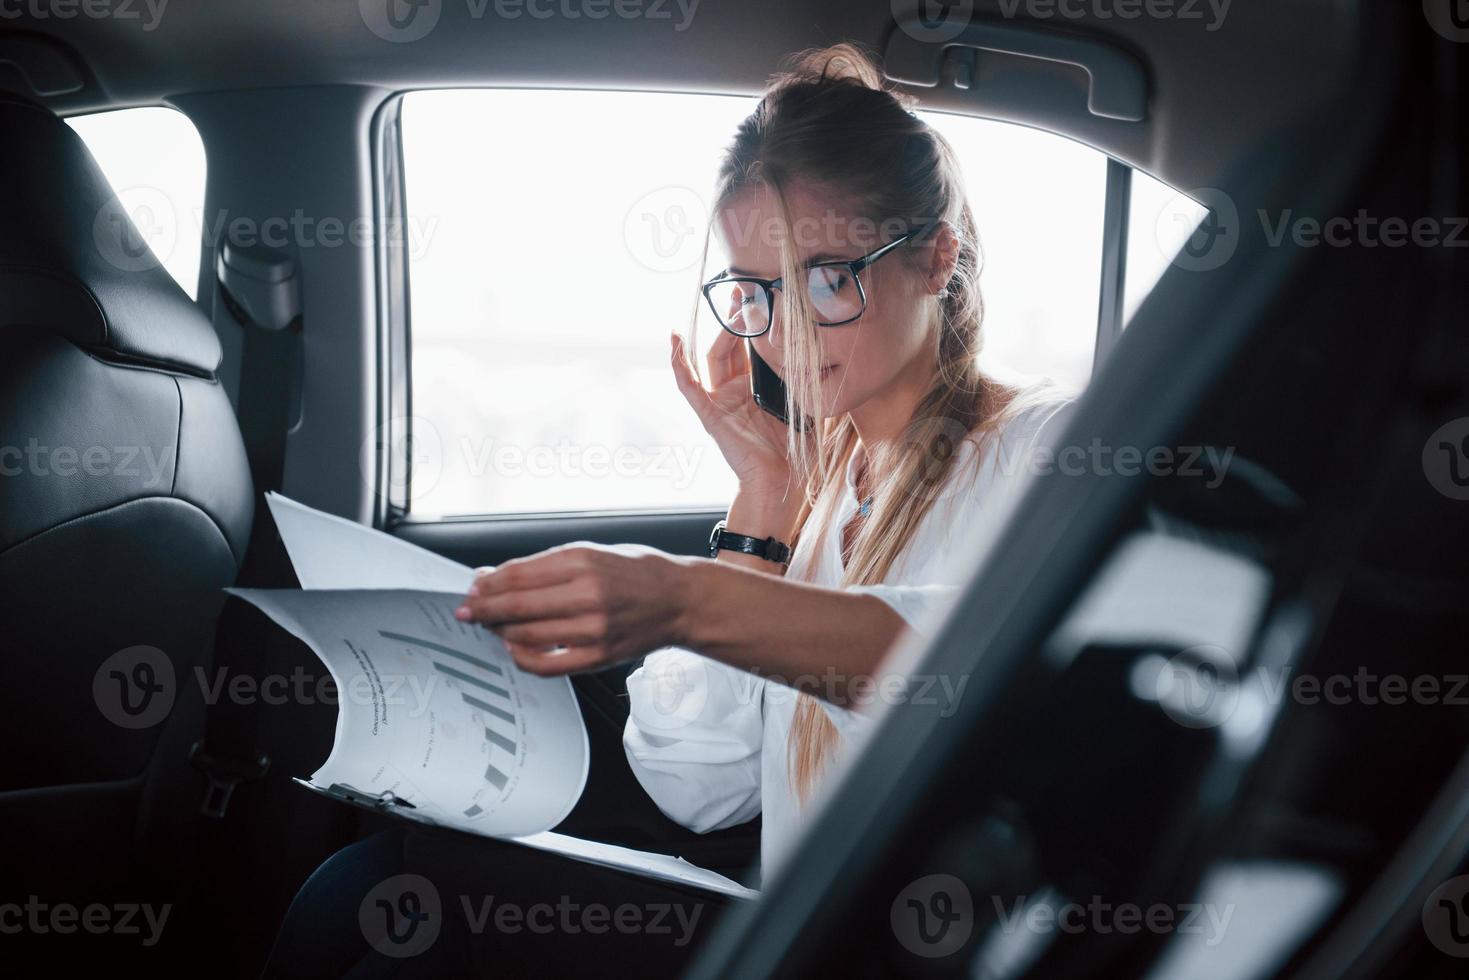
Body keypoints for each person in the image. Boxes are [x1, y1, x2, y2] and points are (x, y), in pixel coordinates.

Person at [263, 42, 1071, 978]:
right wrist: (761, 510)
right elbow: (695, 790)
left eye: (825, 278)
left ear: (936, 259)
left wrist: (688, 600)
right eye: (757, 293)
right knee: (365, 894)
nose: (786, 335)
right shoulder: (821, 495)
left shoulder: (1043, 447)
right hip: (790, 928)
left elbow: (977, 670)